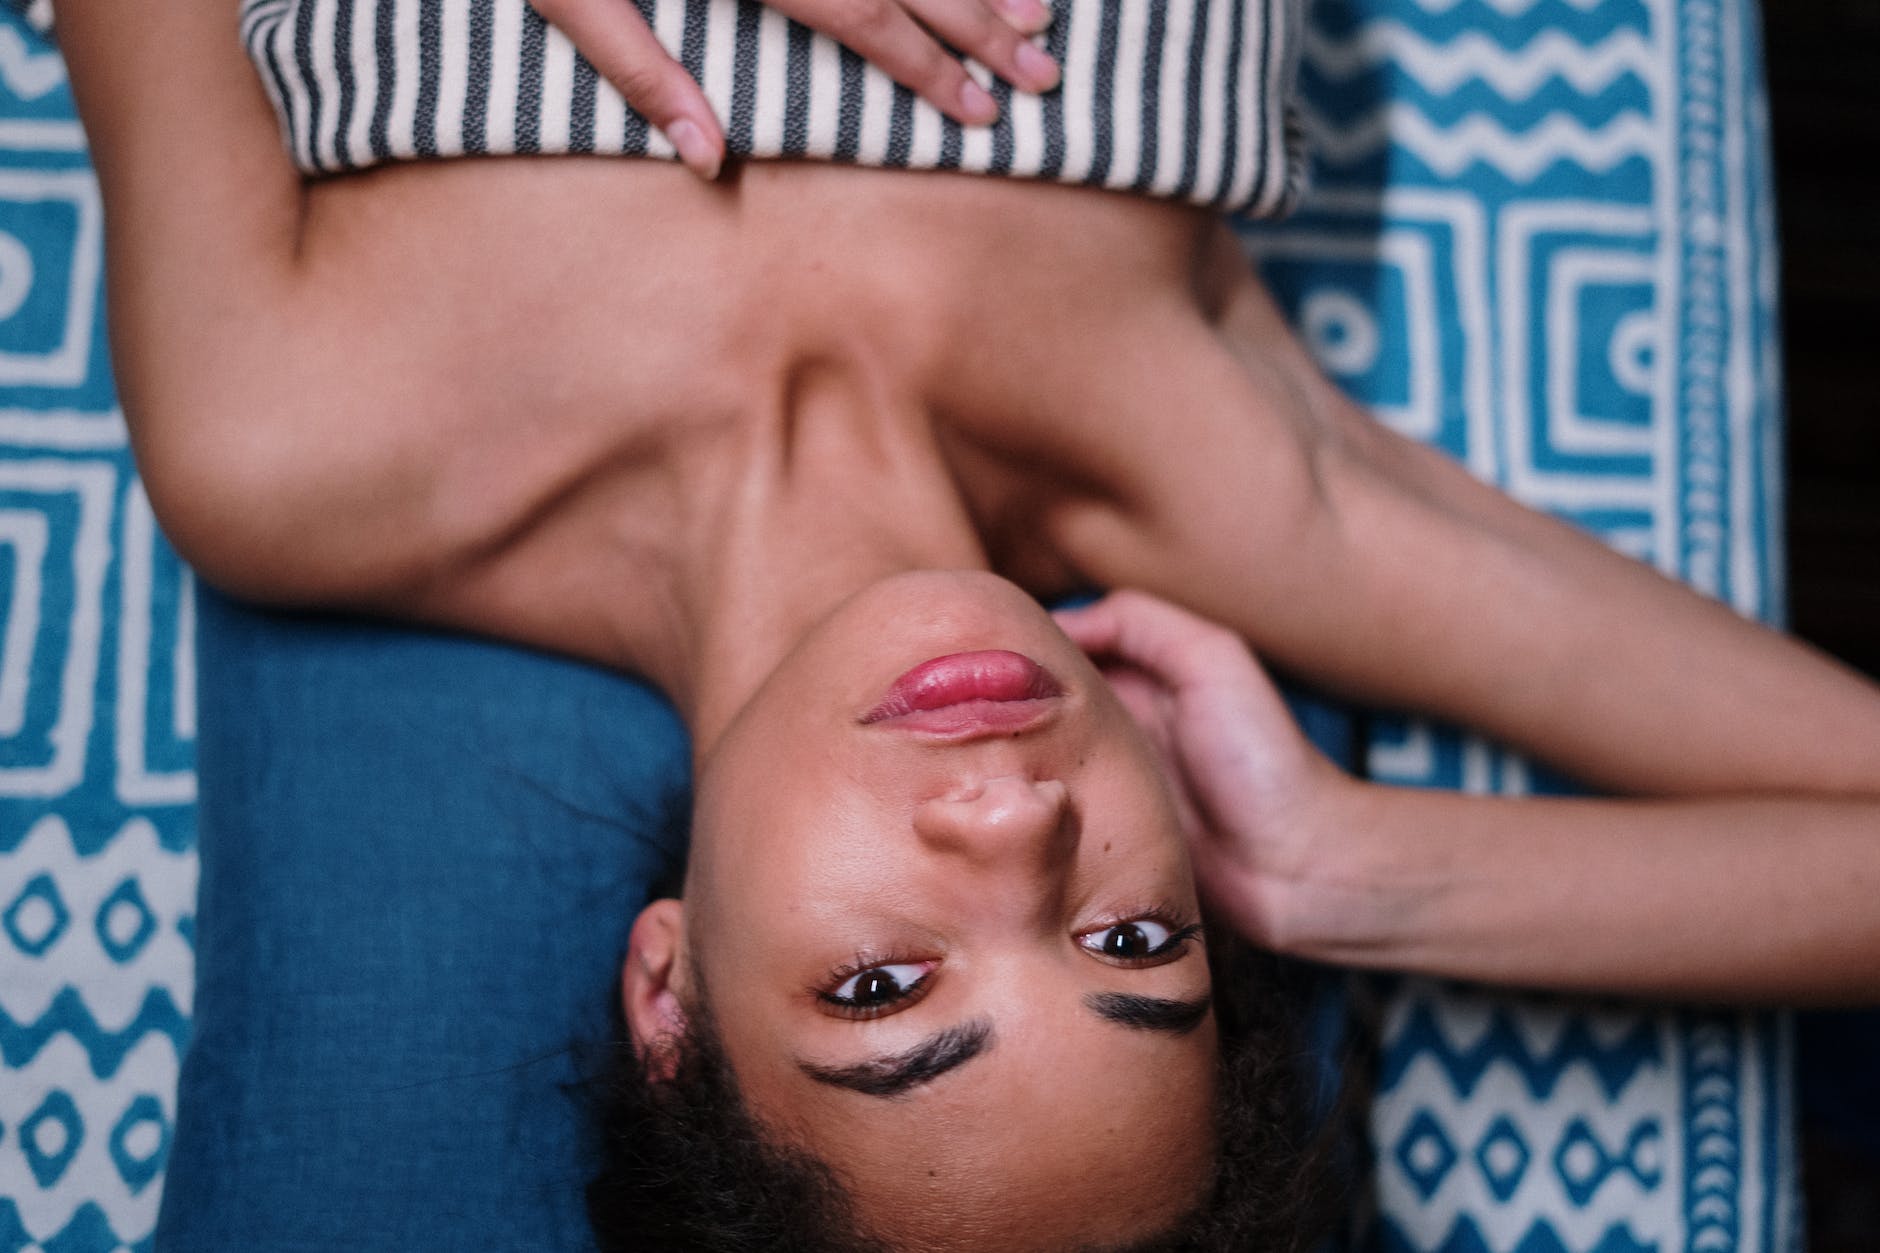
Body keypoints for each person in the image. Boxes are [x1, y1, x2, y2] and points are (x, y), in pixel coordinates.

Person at [52, 0, 1880, 1247]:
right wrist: (1341, 870)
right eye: (1134, 939)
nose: (1012, 825)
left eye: (885, 988)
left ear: (669, 990)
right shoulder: (1214, 474)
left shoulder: (292, 443)